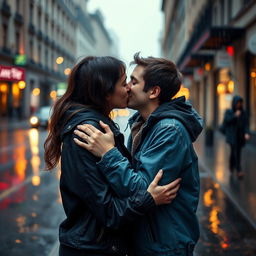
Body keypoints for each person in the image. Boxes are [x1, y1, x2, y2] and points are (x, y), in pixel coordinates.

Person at [44, 56, 181, 256]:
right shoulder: (87, 133)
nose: (127, 88)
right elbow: (109, 212)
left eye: (131, 82)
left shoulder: (100, 127)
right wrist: (149, 199)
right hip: (91, 249)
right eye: (124, 82)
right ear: (104, 90)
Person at [74, 53, 203, 256]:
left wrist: (108, 154)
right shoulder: (143, 125)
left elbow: (141, 190)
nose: (127, 87)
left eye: (133, 82)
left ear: (153, 91)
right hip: (150, 239)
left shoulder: (169, 130)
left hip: (164, 244)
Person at [222, 95, 250, 178]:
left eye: (240, 103)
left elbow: (245, 124)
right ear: (234, 103)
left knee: (236, 152)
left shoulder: (243, 112)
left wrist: (246, 133)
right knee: (235, 152)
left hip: (240, 136)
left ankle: (231, 166)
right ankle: (238, 170)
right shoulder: (229, 111)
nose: (239, 105)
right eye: (237, 103)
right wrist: (235, 116)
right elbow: (226, 121)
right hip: (232, 136)